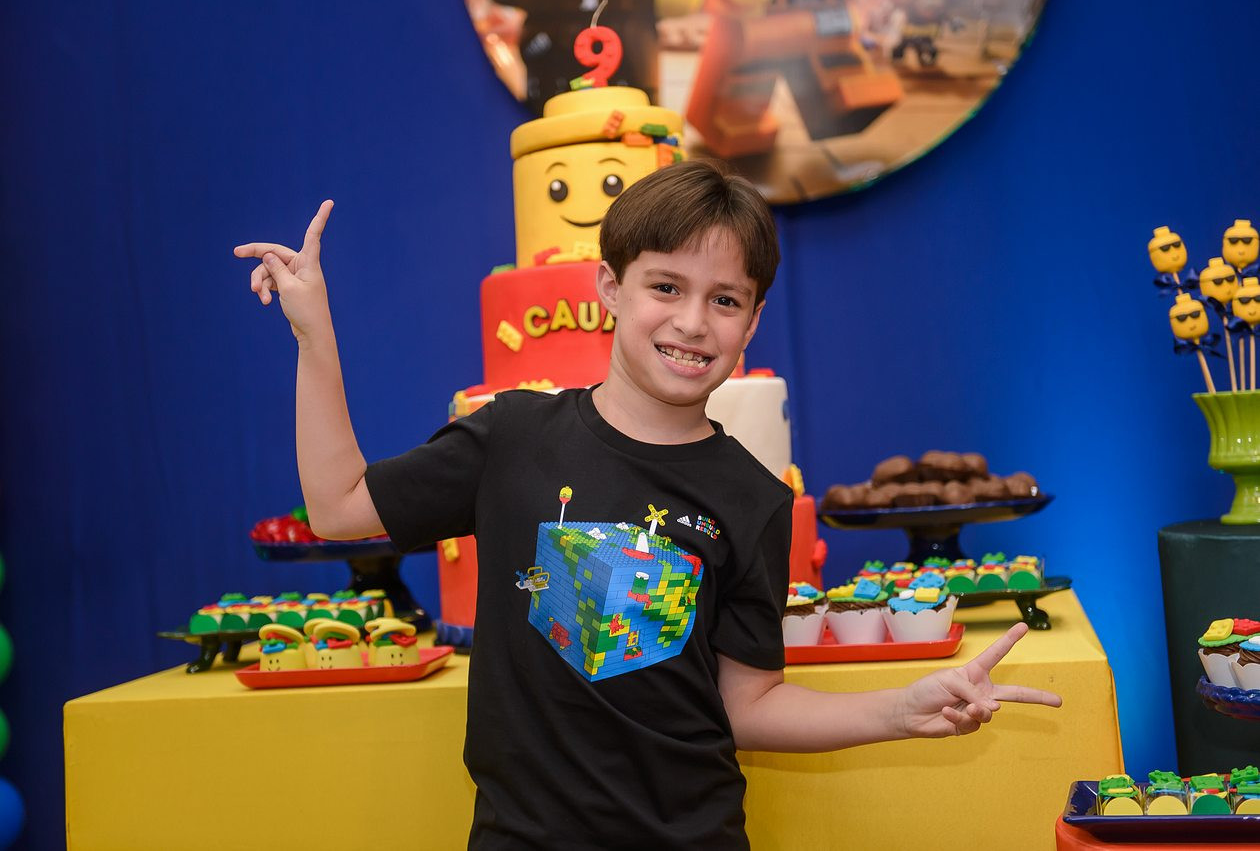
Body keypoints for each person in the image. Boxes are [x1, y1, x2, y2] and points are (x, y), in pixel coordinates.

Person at [234, 160, 1061, 850]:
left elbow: (748, 704)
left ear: (753, 322)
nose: (693, 323)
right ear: (611, 287)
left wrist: (899, 710)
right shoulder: (512, 436)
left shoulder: (755, 499)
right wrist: (314, 335)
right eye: (666, 286)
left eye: (725, 300)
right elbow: (339, 508)